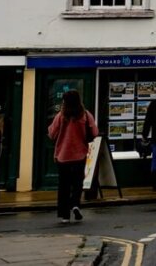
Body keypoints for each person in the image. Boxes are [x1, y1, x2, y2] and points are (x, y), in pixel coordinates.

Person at [47, 89, 98, 225]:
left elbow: (51, 133)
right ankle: (75, 204)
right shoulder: (85, 115)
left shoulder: (61, 116)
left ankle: (65, 215)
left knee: (64, 185)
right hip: (79, 155)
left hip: (63, 156)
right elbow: (94, 131)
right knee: (77, 183)